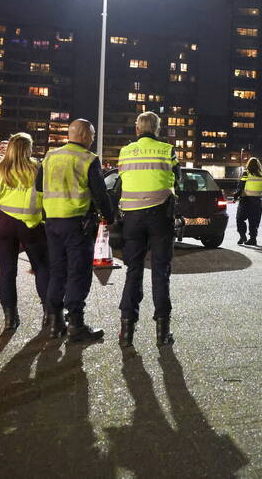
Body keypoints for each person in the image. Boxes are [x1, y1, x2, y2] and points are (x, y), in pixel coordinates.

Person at [37, 118, 114, 342]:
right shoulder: (88, 159)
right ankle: (76, 325)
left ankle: (54, 322)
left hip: (52, 222)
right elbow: (100, 193)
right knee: (77, 274)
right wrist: (110, 217)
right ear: (83, 135)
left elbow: (38, 186)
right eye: (91, 134)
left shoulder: (50, 156)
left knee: (57, 272)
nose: (92, 139)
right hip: (77, 223)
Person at [115, 112, 179, 347]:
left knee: (133, 270)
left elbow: (122, 179)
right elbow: (177, 179)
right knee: (160, 272)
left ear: (137, 129)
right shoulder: (167, 150)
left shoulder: (125, 151)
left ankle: (126, 332)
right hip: (160, 215)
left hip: (132, 217)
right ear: (157, 129)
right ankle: (162, 333)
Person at [0, 133, 49, 331]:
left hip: (3, 223)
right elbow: (45, 195)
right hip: (30, 224)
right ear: (28, 149)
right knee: (42, 267)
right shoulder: (38, 169)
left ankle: (10, 318)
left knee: (6, 271)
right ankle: (49, 313)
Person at [234, 157, 262, 245]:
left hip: (246, 200)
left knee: (240, 219)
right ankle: (253, 239)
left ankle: (242, 236)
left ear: (248, 164)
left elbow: (241, 186)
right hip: (258, 202)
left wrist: (235, 196)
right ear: (258, 165)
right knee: (254, 221)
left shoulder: (246, 173)